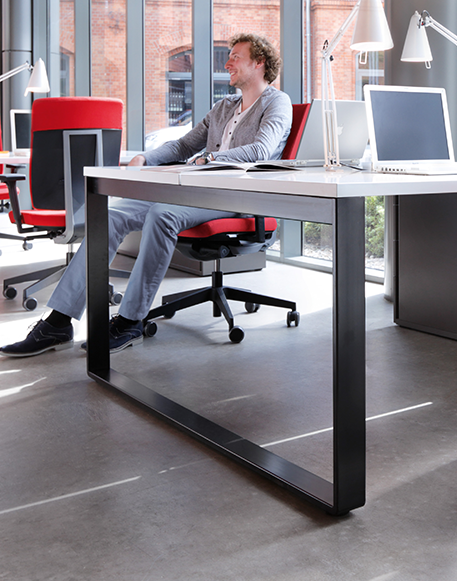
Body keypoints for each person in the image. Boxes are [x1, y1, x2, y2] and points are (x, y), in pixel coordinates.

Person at [1, 33, 292, 358]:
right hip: (196, 192)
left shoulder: (276, 102)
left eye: (235, 56)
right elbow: (184, 145)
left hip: (235, 198)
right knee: (110, 214)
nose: (227, 63)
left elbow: (262, 149)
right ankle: (58, 322)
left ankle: (130, 320)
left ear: (259, 62)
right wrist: (146, 158)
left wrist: (210, 159)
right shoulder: (224, 107)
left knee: (162, 215)